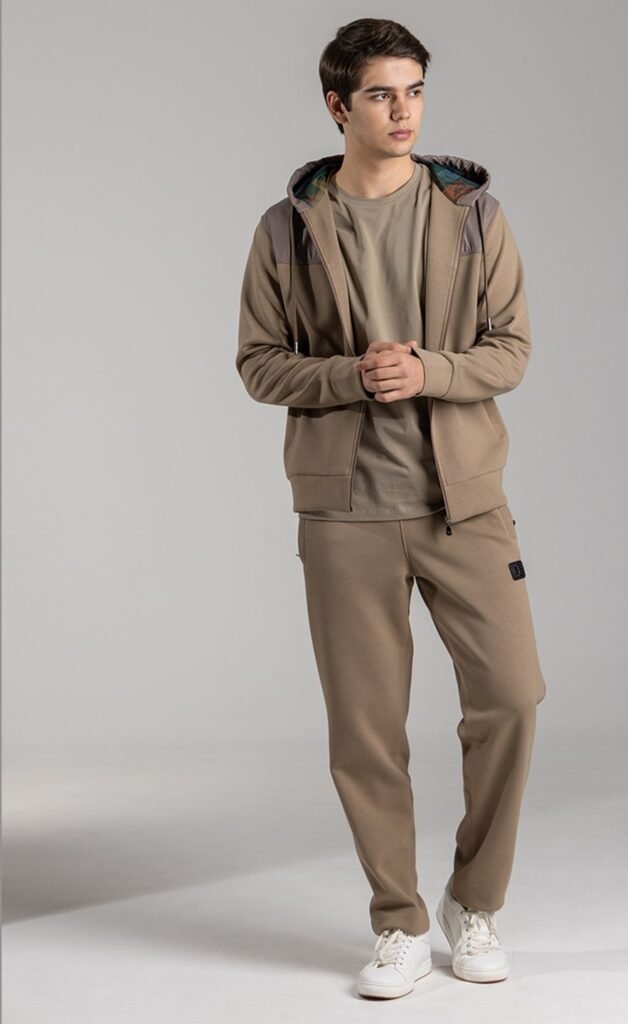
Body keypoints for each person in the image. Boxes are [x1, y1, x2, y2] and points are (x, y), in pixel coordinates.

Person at [236, 16, 548, 1001]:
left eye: (414, 90)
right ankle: (399, 922)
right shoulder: (286, 228)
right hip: (346, 510)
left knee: (513, 695)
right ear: (338, 106)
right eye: (381, 93)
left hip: (466, 502)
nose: (403, 110)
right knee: (366, 731)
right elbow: (258, 363)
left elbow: (511, 349)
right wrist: (347, 376)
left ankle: (474, 902)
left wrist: (432, 370)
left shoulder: (471, 214)